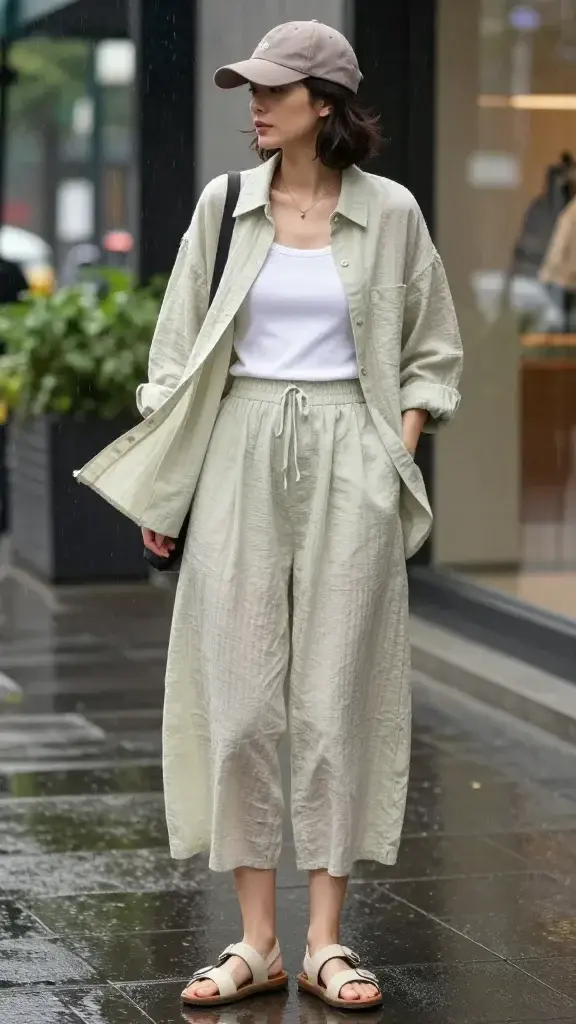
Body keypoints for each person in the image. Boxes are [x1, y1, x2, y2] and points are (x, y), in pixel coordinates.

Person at [75, 19, 462, 1012]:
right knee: (241, 703)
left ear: (323, 103)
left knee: (337, 699)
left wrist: (396, 450)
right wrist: (173, 483)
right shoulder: (226, 204)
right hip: (241, 446)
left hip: (352, 450)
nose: (252, 104)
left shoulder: (392, 213)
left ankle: (327, 939)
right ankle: (256, 940)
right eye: (249, 88)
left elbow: (432, 347)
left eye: (272, 90)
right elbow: (177, 354)